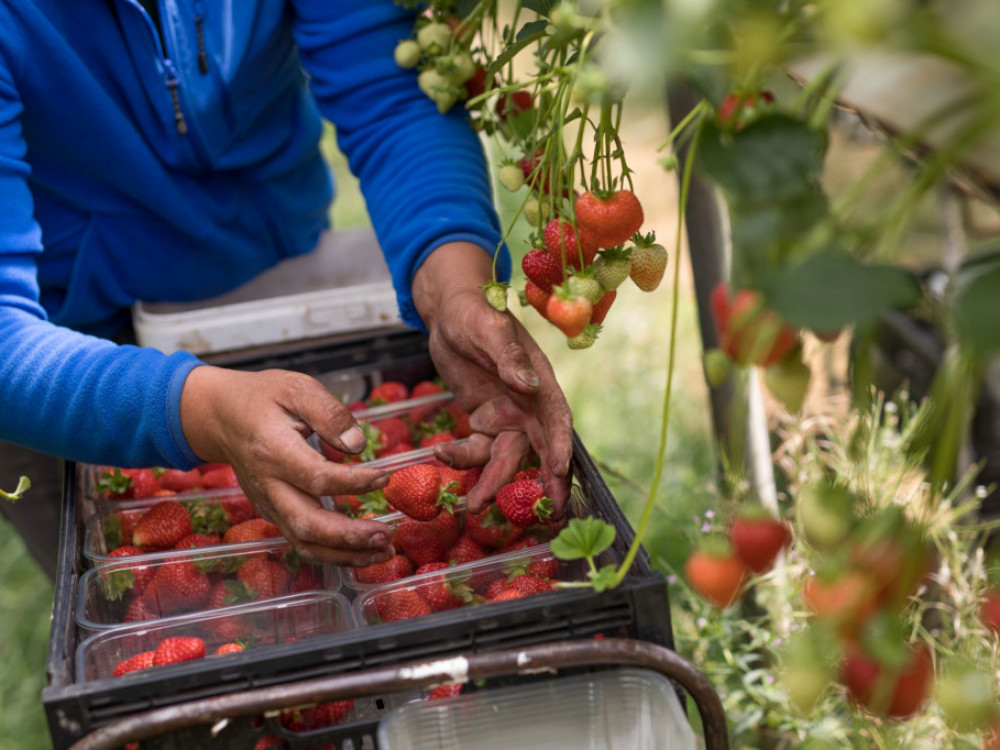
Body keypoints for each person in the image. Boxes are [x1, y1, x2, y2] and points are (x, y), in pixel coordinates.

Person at [0, 0, 574, 579]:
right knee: (117, 576)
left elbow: (389, 97)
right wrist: (200, 412)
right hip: (63, 358)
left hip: (276, 283)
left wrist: (455, 288)